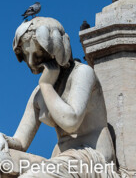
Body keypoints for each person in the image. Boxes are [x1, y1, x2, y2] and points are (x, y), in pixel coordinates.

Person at [0, 17, 127, 178]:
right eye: (26, 55)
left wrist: (46, 85)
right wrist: (3, 140)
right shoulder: (38, 94)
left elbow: (71, 122)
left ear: (55, 49)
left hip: (92, 158)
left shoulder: (82, 74)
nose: (31, 63)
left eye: (37, 54)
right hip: (60, 160)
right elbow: (20, 142)